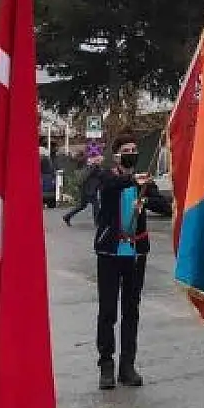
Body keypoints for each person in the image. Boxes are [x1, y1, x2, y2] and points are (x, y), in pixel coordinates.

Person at [93, 135, 150, 390]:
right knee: (108, 311)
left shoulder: (142, 183)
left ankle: (127, 365)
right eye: (126, 150)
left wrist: (147, 198)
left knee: (131, 311)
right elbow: (111, 186)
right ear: (116, 156)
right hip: (110, 253)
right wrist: (133, 181)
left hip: (135, 254)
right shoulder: (108, 178)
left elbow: (164, 205)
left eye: (134, 149)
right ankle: (106, 365)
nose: (131, 153)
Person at [64, 154, 106, 226]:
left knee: (82, 206)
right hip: (89, 190)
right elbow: (89, 176)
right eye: (100, 160)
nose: (101, 162)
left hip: (86, 189)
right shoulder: (93, 167)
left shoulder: (93, 167)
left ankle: (67, 216)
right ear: (97, 160)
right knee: (96, 205)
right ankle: (97, 222)